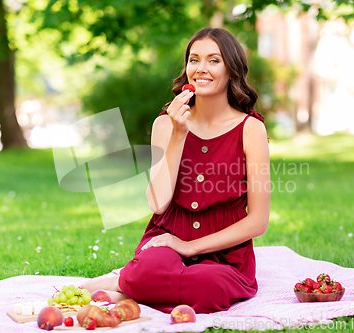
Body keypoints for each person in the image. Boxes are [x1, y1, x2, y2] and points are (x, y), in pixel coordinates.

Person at [80, 27, 270, 314]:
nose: (201, 68)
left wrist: (190, 247)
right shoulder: (166, 124)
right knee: (149, 270)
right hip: (166, 237)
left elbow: (258, 221)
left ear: (232, 70)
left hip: (225, 256)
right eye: (194, 60)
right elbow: (157, 203)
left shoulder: (251, 129)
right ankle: (135, 282)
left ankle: (125, 287)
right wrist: (178, 134)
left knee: (210, 286)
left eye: (213, 60)